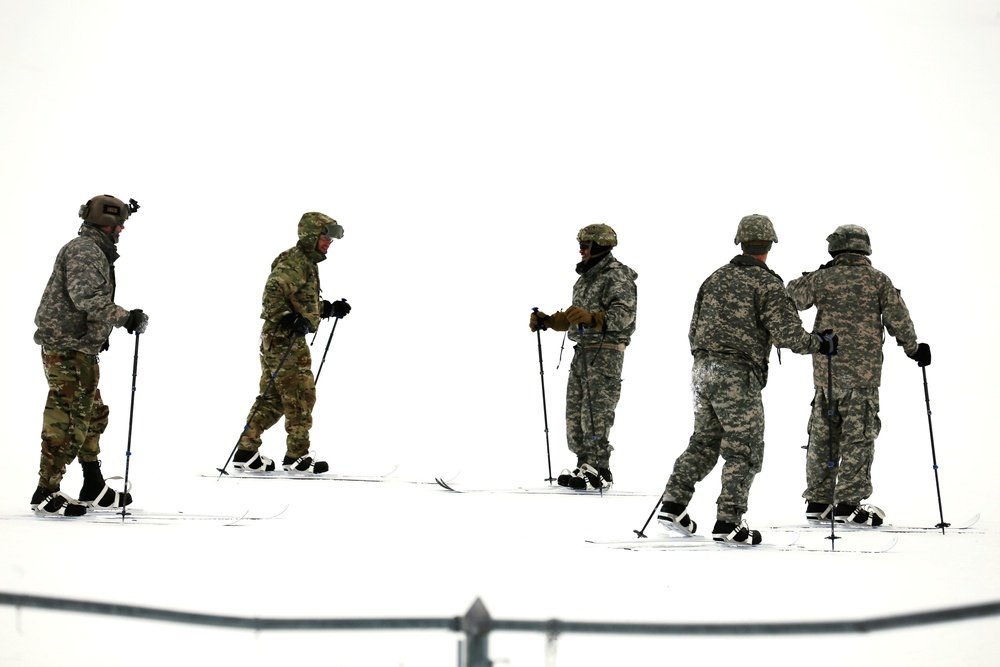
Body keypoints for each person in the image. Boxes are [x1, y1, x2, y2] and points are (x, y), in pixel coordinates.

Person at [657, 214, 837, 545]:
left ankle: (673, 504)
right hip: (736, 374)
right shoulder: (767, 283)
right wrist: (819, 343)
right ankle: (729, 521)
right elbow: (787, 334)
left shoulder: (714, 279)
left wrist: (706, 358)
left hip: (702, 370)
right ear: (769, 245)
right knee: (745, 448)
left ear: (740, 242)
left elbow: (693, 327)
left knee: (704, 441)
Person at [787, 224, 929, 527]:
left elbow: (791, 297)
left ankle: (819, 500)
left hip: (826, 373)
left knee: (823, 436)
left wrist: (815, 275)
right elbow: (897, 318)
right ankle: (848, 504)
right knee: (858, 437)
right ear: (865, 248)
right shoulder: (878, 280)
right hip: (862, 377)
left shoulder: (822, 278)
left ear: (835, 248)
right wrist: (914, 348)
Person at [31, 194, 147, 517]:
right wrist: (125, 318)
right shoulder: (84, 251)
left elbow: (83, 302)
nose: (122, 229)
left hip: (79, 346)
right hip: (67, 349)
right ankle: (46, 491)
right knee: (67, 420)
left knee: (92, 415)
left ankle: (92, 484)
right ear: (105, 225)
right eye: (118, 224)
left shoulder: (95, 250)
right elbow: (86, 297)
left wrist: (98, 334)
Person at [232, 212, 350, 474]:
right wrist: (289, 320)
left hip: (276, 338)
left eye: (331, 239)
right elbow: (272, 292)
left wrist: (328, 309)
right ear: (311, 235)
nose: (328, 243)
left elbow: (300, 303)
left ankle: (246, 452)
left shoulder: (304, 262)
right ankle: (297, 457)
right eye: (325, 237)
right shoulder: (297, 262)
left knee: (273, 397)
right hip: (285, 339)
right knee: (300, 395)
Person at [529, 224, 637, 491]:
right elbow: (575, 317)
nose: (581, 250)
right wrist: (550, 321)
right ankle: (584, 464)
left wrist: (593, 319)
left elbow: (624, 316)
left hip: (606, 353)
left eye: (585, 245)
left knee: (596, 413)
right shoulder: (585, 279)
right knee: (575, 414)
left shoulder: (617, 276)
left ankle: (600, 469)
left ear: (599, 246)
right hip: (582, 352)